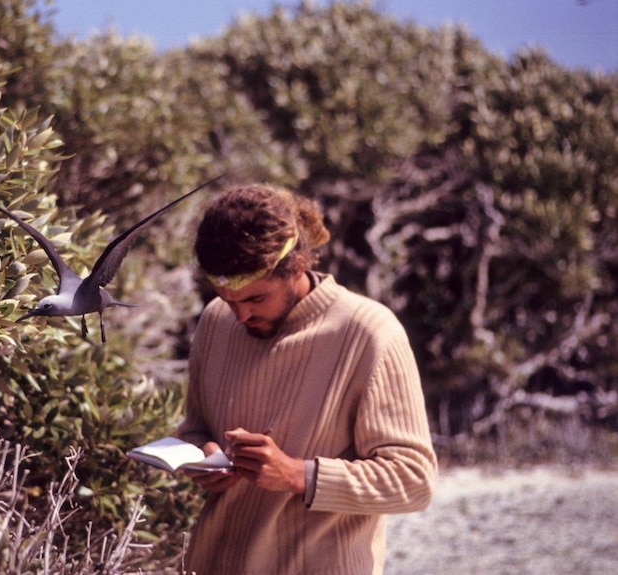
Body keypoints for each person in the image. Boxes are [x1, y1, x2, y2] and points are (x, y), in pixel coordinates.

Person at [177, 183, 438, 575]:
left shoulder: (367, 332)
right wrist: (200, 456)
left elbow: (413, 480)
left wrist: (298, 475)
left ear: (297, 265)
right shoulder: (216, 320)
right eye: (229, 299)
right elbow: (195, 429)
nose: (240, 316)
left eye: (255, 299)